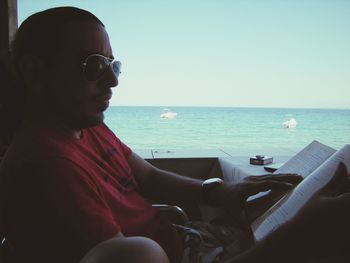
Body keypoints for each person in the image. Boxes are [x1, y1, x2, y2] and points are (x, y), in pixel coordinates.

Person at [0, 6, 347, 263]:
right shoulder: (45, 169)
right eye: (93, 65)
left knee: (289, 198)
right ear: (34, 72)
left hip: (189, 238)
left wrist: (221, 193)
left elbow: (147, 176)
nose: (113, 81)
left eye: (113, 65)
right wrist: (300, 231)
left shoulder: (86, 126)